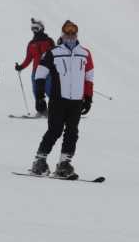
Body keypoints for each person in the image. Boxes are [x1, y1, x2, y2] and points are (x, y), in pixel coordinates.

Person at [30, 20, 94, 177]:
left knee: (72, 132)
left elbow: (89, 76)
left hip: (76, 101)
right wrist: (39, 97)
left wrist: (88, 97)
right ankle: (40, 161)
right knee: (55, 130)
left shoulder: (84, 53)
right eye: (67, 32)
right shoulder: (53, 52)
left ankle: (64, 164)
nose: (70, 35)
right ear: (62, 33)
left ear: (77, 33)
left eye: (73, 31)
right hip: (58, 100)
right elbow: (40, 74)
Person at [14, 18, 55, 115]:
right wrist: (21, 67)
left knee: (50, 90)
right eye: (32, 28)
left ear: (42, 28)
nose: (34, 31)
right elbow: (28, 58)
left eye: (36, 28)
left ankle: (56, 110)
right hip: (36, 72)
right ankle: (42, 111)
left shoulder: (48, 41)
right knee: (37, 92)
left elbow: (55, 54)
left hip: (48, 71)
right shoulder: (31, 44)